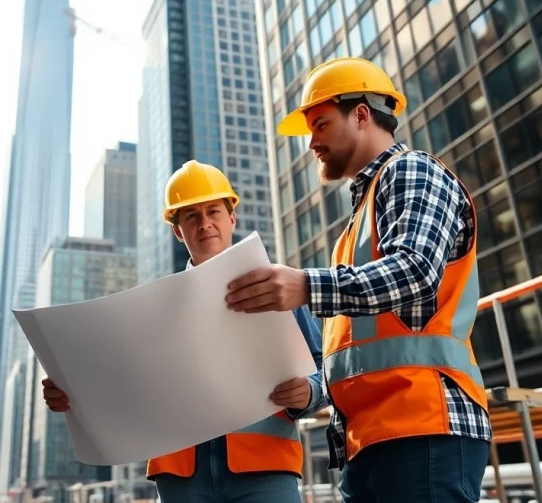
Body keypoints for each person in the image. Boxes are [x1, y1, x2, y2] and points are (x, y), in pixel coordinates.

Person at [225, 56, 492, 502]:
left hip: (423, 427)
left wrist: (305, 286)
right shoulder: (357, 222)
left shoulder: (412, 170)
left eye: (321, 125)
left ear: (362, 115)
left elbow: (415, 271)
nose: (312, 142)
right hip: (368, 440)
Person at [41, 160, 329, 503]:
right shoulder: (152, 309)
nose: (205, 223)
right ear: (178, 231)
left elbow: (324, 368)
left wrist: (310, 392)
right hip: (180, 479)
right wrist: (72, 394)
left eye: (213, 211)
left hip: (265, 470)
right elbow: (123, 385)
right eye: (191, 216)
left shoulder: (277, 288)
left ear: (232, 218)